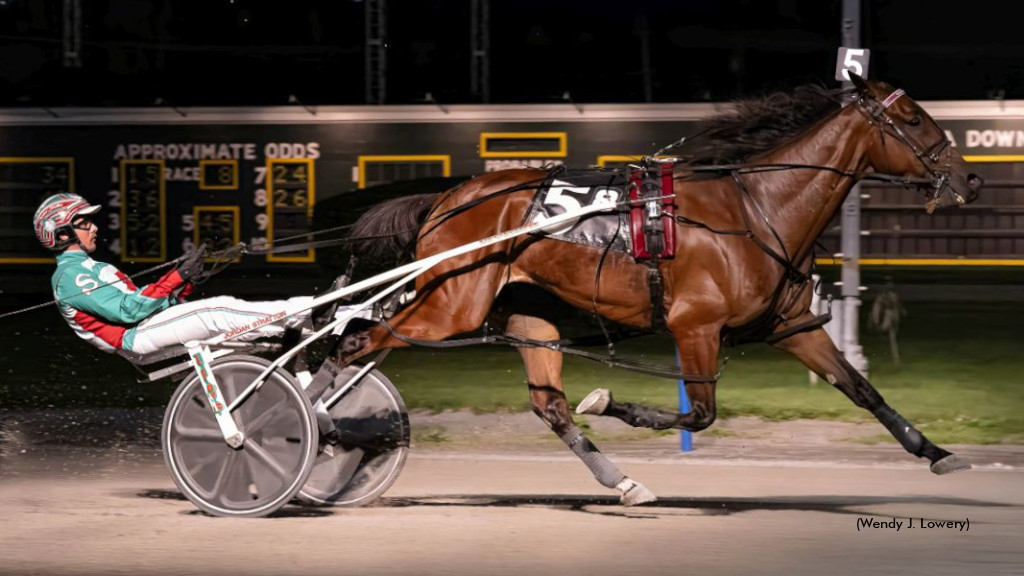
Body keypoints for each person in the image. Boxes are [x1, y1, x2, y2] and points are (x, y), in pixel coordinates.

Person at [34, 193, 344, 356]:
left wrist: (185, 283)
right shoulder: (71, 277)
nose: (95, 227)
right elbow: (129, 312)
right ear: (61, 234)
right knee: (216, 310)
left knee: (245, 333)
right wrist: (177, 274)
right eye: (84, 223)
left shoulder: (93, 269)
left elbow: (152, 306)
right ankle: (310, 311)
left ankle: (333, 319)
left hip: (144, 329)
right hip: (134, 338)